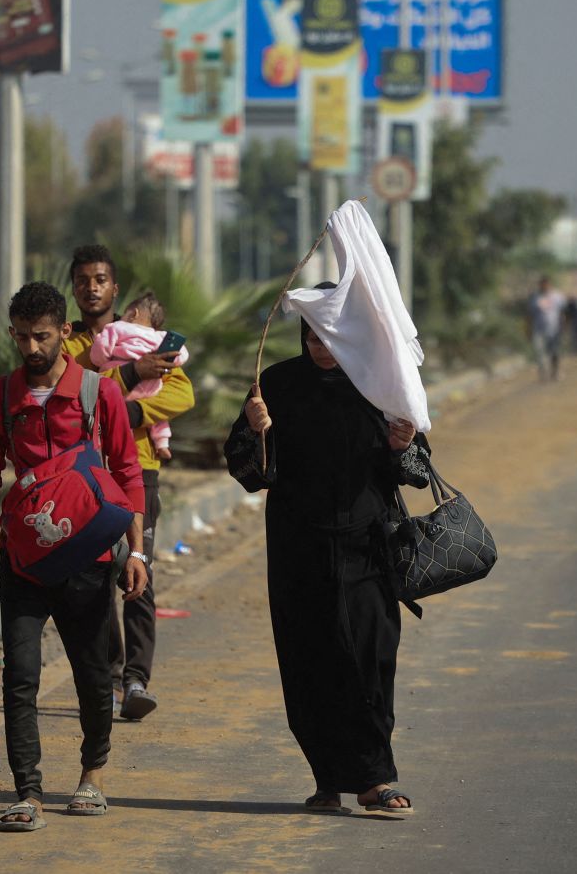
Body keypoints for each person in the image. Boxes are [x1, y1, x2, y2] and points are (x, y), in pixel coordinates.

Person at [223, 305, 431, 816]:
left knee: (371, 657)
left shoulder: (378, 384)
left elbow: (418, 470)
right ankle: (327, 778)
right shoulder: (277, 382)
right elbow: (248, 470)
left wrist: (401, 445)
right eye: (312, 337)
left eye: (331, 337)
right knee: (309, 660)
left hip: (367, 545)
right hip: (299, 547)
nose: (320, 348)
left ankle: (376, 776)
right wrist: (257, 431)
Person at [0, 281, 148, 832]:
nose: (32, 348)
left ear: (65, 332)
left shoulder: (99, 393)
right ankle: (28, 792)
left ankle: (92, 775)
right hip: (22, 559)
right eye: (21, 337)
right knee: (19, 674)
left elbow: (127, 472)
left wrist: (137, 551)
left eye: (41, 336)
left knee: (92, 672)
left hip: (88, 557)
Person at [62, 244, 194, 722]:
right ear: (73, 288)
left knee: (139, 573)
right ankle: (113, 672)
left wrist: (129, 411)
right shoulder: (67, 343)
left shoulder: (147, 337)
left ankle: (136, 679)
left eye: (100, 279)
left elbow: (182, 390)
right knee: (96, 579)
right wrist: (132, 376)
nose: (91, 287)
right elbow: (74, 394)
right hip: (84, 477)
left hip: (139, 472)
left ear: (115, 288)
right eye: (82, 280)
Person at [89, 292, 190, 461]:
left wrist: (102, 361)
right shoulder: (160, 336)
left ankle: (121, 441)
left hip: (123, 382)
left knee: (119, 408)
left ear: (133, 313)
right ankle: (163, 443)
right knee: (157, 413)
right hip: (151, 386)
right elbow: (182, 355)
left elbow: (99, 354)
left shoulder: (116, 327)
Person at [527, 276, 566, 382]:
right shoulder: (535, 298)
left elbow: (562, 313)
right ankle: (543, 373)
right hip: (538, 330)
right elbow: (530, 315)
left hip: (554, 330)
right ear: (539, 285)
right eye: (542, 284)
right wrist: (528, 329)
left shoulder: (557, 297)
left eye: (546, 284)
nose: (544, 287)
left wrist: (562, 326)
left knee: (554, 352)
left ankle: (555, 371)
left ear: (550, 285)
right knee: (539, 352)